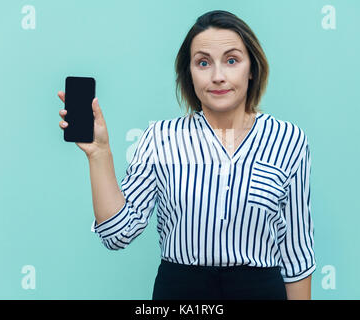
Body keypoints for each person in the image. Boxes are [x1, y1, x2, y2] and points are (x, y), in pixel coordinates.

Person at [58, 10, 315, 300]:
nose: (218, 76)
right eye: (203, 62)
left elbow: (296, 253)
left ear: (251, 68)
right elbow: (117, 234)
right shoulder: (160, 138)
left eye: (232, 60)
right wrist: (100, 155)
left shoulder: (288, 139)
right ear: (189, 73)